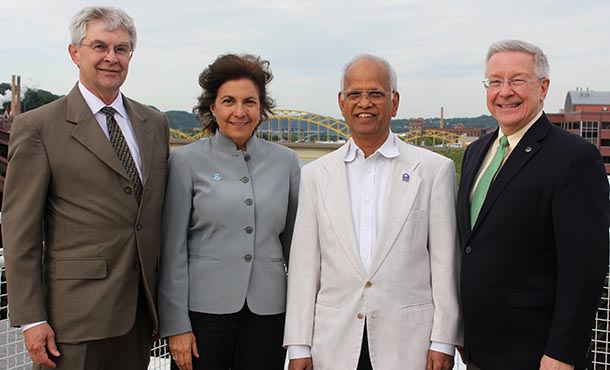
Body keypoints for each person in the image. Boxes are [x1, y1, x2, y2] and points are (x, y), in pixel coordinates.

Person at [2, 6, 169, 370]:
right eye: (100, 46)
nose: (112, 58)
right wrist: (32, 319)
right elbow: (20, 231)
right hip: (73, 320)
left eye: (122, 49)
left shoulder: (154, 123)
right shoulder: (38, 127)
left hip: (140, 314)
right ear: (75, 53)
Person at [283, 54, 462, 370]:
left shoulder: (434, 170)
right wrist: (298, 345)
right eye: (354, 94)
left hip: (410, 343)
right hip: (333, 343)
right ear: (341, 103)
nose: (364, 102)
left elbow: (445, 263)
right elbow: (303, 267)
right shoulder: (315, 175)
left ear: (394, 102)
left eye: (376, 94)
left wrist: (443, 339)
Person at [457, 39, 610, 370]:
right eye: (495, 81)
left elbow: (583, 270)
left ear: (543, 88)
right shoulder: (475, 152)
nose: (505, 91)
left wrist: (561, 355)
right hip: (478, 351)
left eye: (517, 80)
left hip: (536, 355)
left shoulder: (574, 158)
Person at [158, 53, 300, 370]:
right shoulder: (185, 162)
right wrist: (176, 324)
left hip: (270, 312)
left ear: (261, 108)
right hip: (203, 313)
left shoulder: (286, 162)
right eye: (228, 101)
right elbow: (172, 250)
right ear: (212, 108)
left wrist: (302, 326)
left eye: (249, 102)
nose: (239, 112)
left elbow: (297, 249)